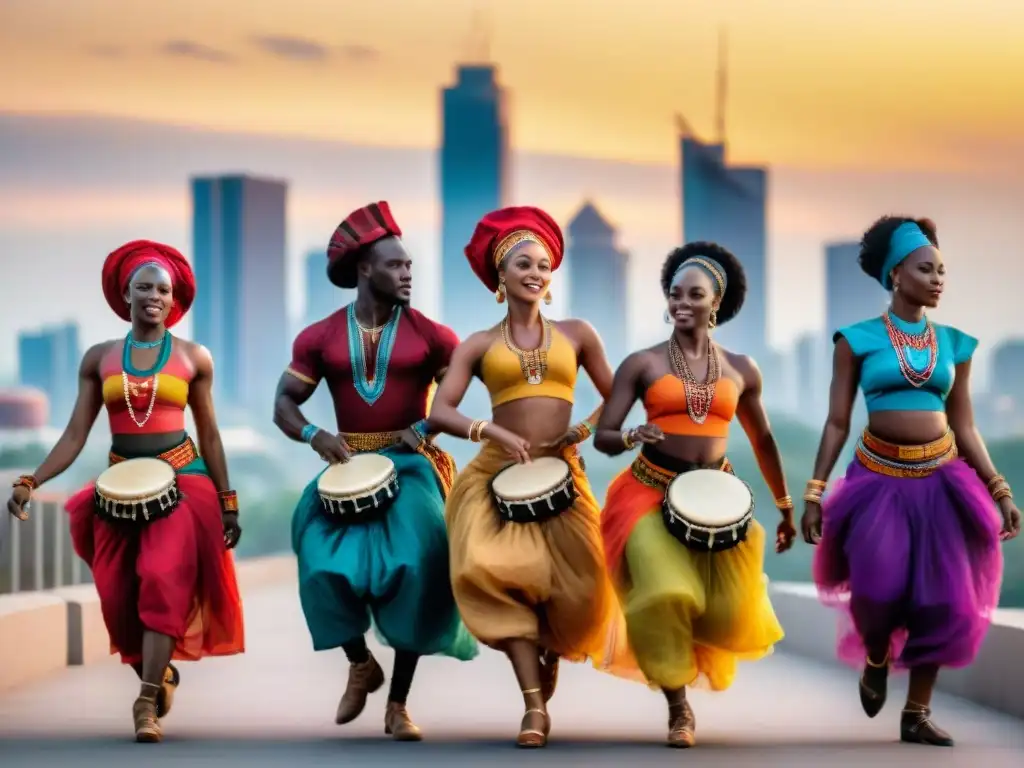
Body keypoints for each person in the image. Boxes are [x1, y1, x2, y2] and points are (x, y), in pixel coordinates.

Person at [6, 240, 245, 743]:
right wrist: (32, 480)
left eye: (164, 289)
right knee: (119, 597)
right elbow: (75, 434)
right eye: (144, 287)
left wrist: (227, 501)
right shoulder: (99, 359)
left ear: (174, 297)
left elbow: (212, 434)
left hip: (183, 481)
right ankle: (158, 674)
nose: (155, 296)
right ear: (126, 293)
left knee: (161, 577)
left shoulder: (193, 357)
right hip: (118, 485)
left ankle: (144, 704)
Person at [800, 215, 1020, 747]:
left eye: (943, 271)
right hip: (878, 482)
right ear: (896, 274)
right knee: (877, 589)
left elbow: (964, 424)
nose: (938, 279)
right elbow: (836, 421)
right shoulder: (855, 341)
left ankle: (916, 713)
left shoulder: (955, 344)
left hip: (944, 481)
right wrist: (814, 492)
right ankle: (877, 655)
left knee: (943, 601)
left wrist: (999, 487)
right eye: (927, 269)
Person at [427, 206, 641, 749]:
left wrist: (583, 431)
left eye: (544, 265)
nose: (537, 273)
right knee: (490, 570)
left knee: (585, 591)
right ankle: (533, 707)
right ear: (500, 275)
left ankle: (549, 652)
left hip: (563, 477)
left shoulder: (578, 333)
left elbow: (618, 397)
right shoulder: (477, 344)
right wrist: (491, 432)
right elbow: (439, 413)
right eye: (524, 263)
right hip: (495, 478)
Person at [273, 201, 477, 742]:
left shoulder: (435, 335)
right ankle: (360, 662)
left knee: (416, 565)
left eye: (410, 266)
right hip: (345, 462)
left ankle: (399, 704)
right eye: (395, 265)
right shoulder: (318, 338)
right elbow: (284, 404)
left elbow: (451, 402)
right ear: (365, 269)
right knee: (318, 563)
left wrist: (426, 428)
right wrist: (314, 435)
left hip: (412, 464)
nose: (407, 274)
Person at [594, 242, 795, 748]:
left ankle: (686, 663)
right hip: (646, 494)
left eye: (695, 294)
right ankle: (678, 707)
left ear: (716, 302)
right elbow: (604, 435)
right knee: (663, 592)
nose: (681, 301)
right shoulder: (640, 364)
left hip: (718, 498)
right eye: (674, 293)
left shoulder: (742, 369)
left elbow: (764, 440)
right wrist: (631, 437)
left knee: (726, 610)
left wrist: (787, 505)